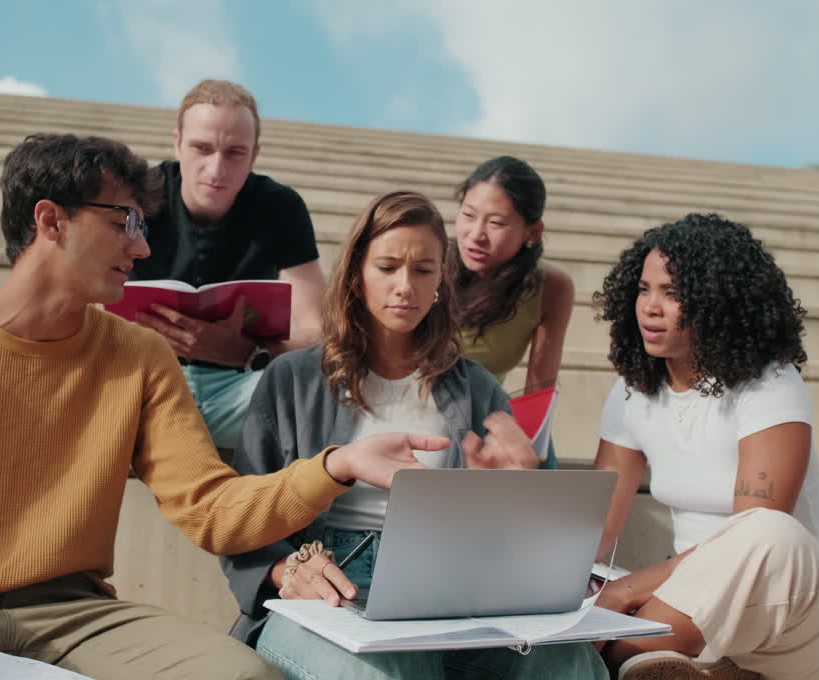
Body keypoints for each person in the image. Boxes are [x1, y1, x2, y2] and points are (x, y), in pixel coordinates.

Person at [0, 134, 447, 680]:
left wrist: (337, 464)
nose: (143, 245)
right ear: (50, 220)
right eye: (123, 221)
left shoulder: (138, 356)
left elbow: (211, 509)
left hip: (73, 614)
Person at [222, 191, 608, 679]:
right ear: (357, 275)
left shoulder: (478, 389)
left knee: (567, 665)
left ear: (441, 283)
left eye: (423, 270)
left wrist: (517, 492)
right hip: (327, 579)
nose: (405, 285)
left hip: (445, 589)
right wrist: (289, 573)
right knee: (387, 670)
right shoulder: (292, 380)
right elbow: (242, 516)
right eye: (387, 267)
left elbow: (538, 546)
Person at [590, 214, 819, 680]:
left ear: (718, 303)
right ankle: (666, 660)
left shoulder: (770, 384)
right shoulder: (632, 391)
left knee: (770, 533)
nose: (650, 307)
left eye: (673, 294)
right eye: (643, 289)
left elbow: (753, 540)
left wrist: (627, 592)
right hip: (683, 611)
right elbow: (594, 528)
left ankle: (614, 652)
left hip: (793, 628)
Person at [131, 78, 327, 453]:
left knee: (328, 390)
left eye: (235, 152)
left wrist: (247, 353)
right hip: (150, 379)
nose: (216, 168)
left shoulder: (281, 207)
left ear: (254, 155)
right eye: (202, 148)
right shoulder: (140, 196)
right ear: (177, 144)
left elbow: (319, 333)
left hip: (243, 383)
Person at [448, 156, 575, 467]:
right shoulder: (430, 264)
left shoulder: (551, 287)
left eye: (496, 223)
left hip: (484, 413)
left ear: (532, 232)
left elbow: (537, 394)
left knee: (537, 461)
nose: (476, 234)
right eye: (468, 215)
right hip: (418, 405)